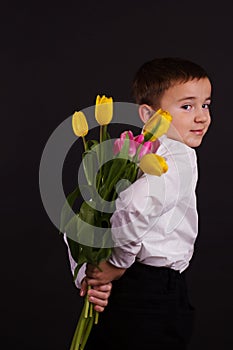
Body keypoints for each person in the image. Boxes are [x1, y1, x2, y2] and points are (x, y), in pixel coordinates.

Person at [66, 57, 212, 349]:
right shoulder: (176, 155)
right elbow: (134, 207)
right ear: (148, 114)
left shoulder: (129, 156)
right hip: (152, 292)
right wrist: (116, 265)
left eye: (205, 104)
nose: (201, 117)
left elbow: (83, 220)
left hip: (126, 292)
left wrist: (89, 275)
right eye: (187, 106)